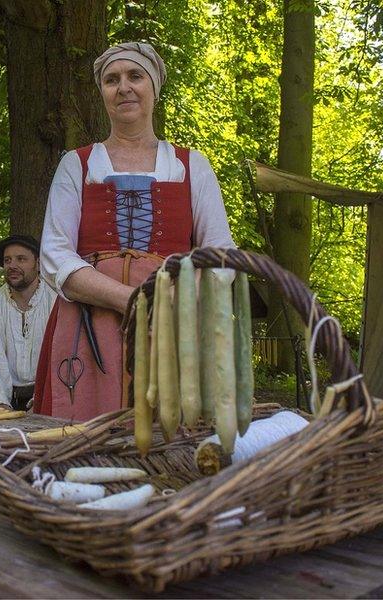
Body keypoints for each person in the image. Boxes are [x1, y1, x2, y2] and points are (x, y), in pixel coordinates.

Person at [34, 41, 235, 421]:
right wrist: (130, 301)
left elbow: (221, 253)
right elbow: (55, 255)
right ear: (102, 94)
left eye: (135, 76)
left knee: (169, 436)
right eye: (112, 80)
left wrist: (177, 297)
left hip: (171, 316)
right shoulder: (75, 165)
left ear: (154, 88)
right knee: (84, 438)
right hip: (90, 321)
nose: (123, 87)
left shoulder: (193, 166)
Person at [0, 235, 56, 410]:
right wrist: (0, 404)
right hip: (1, 403)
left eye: (21, 259)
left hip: (50, 400)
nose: (12, 265)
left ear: (38, 264)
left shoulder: (56, 302)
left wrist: (41, 402)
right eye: (7, 260)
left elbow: (62, 357)